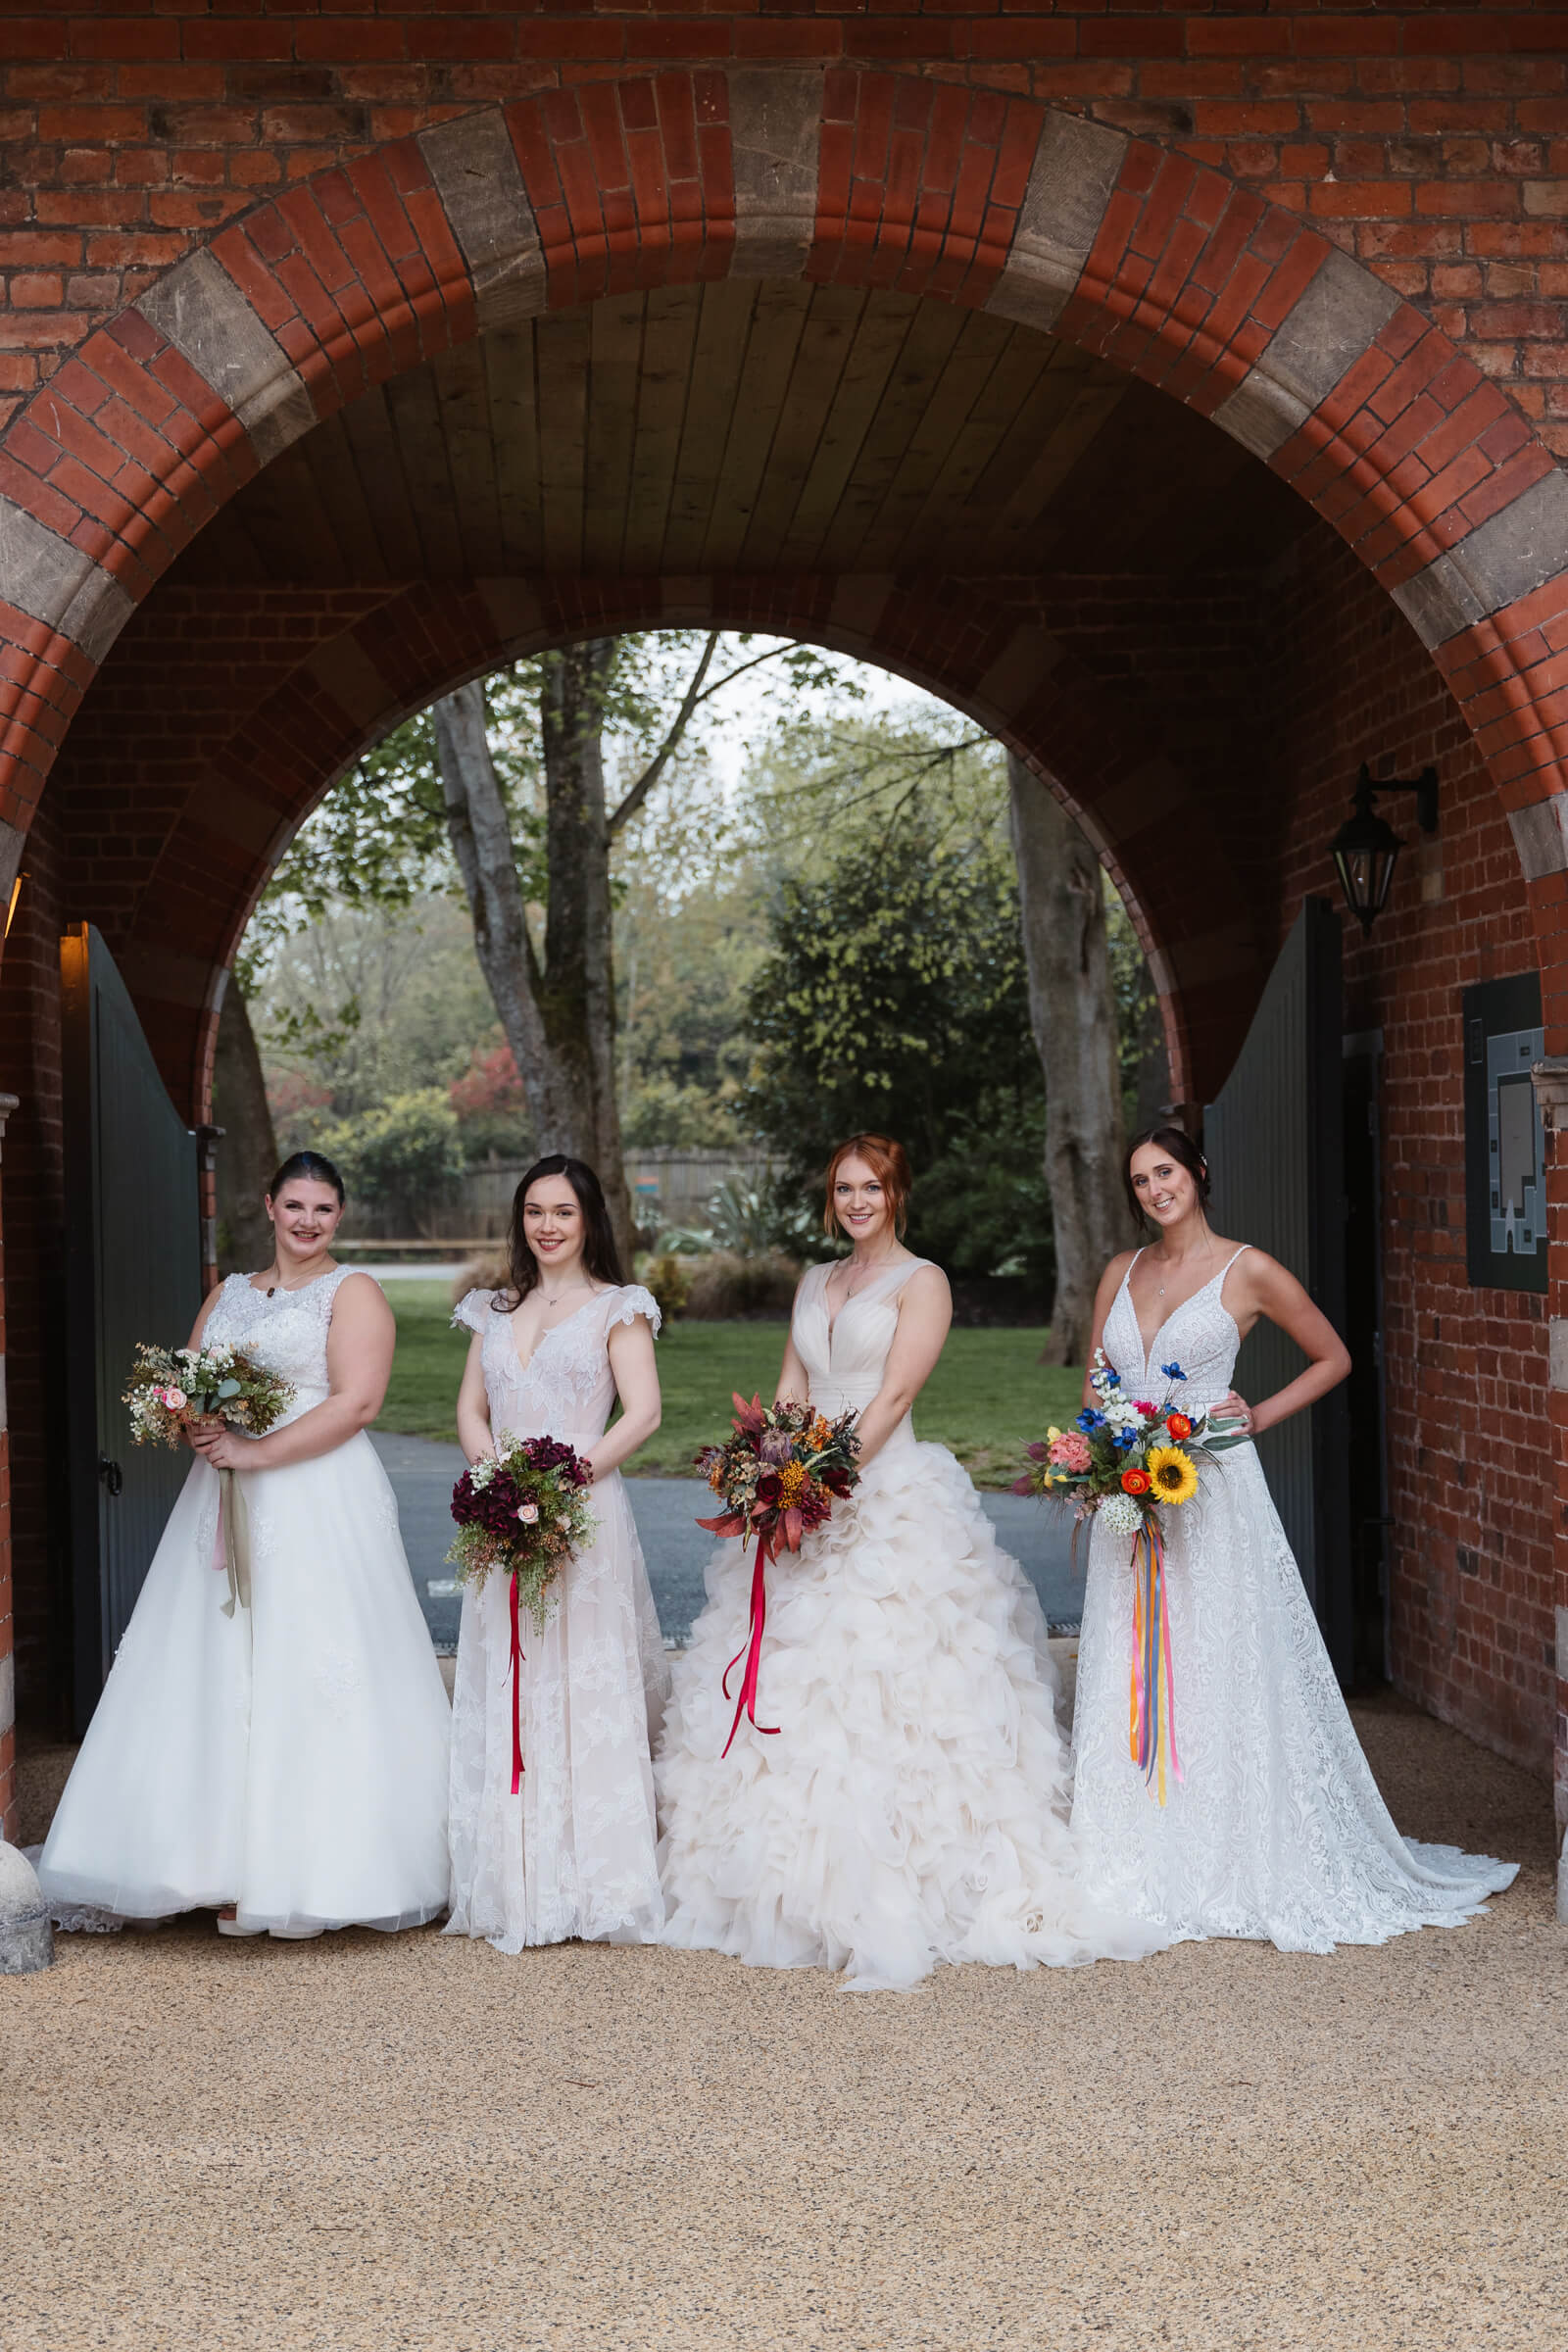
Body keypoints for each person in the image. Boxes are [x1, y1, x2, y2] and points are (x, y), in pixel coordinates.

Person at [656, 1133, 1169, 1992]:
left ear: (898, 1195)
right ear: (833, 1198)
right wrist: (770, 1472)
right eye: (845, 1189)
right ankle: (779, 1885)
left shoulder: (922, 1282)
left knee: (893, 1673)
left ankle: (912, 1879)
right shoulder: (816, 1282)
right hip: (802, 1481)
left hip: (881, 1489)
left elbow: (894, 1393)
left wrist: (821, 1480)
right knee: (792, 1675)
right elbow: (790, 1383)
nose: (859, 1201)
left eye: (874, 1188)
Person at [1070, 1124, 1517, 1952]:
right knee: (1134, 1658)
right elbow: (1095, 1380)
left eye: (1165, 1172)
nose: (1155, 1190)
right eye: (1139, 1181)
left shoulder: (1251, 1270)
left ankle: (1229, 1848)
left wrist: (1259, 1413)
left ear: (1198, 1173)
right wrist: (1094, 1455)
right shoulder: (1119, 1273)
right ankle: (1132, 1846)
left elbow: (1333, 1356)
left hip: (1211, 1491)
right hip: (1128, 1495)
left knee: (1218, 1657)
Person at [37, 1151, 452, 1938]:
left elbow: (359, 1403)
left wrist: (257, 1452)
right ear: (268, 1206)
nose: (306, 1222)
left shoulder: (353, 1292)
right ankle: (196, 1860)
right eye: (294, 1205)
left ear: (339, 1216)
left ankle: (297, 1869)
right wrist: (193, 1421)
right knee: (208, 1660)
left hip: (315, 1493)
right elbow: (190, 1374)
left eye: (322, 1210)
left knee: (308, 1658)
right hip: (220, 1496)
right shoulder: (227, 1292)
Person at [445, 1154, 668, 1954]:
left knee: (580, 1675)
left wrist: (563, 1484)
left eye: (563, 1213)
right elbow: (471, 1407)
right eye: (535, 1211)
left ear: (589, 1221)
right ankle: (512, 1873)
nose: (547, 1226)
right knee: (512, 1672)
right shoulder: (494, 1308)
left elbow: (642, 1413)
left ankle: (594, 1879)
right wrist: (496, 1482)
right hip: (504, 1511)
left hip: (583, 1506)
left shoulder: (619, 1307)